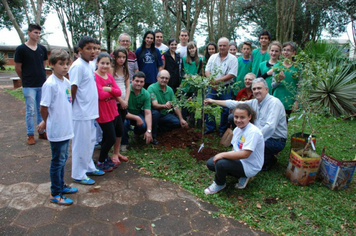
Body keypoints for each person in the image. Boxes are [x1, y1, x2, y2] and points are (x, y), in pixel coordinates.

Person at [205, 78, 288, 171]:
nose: (256, 91)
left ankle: (270, 159)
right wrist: (213, 101)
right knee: (233, 118)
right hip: (260, 136)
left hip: (275, 140)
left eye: (259, 88)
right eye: (254, 89)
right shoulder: (254, 102)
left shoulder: (274, 103)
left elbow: (270, 127)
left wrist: (252, 140)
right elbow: (235, 104)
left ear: (266, 89)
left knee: (257, 161)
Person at [38, 49, 77, 205]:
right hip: (57, 129)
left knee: (63, 159)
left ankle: (61, 186)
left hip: (66, 128)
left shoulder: (66, 82)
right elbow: (44, 107)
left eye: (67, 63)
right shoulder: (50, 84)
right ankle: (55, 192)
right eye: (61, 64)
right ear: (51, 65)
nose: (65, 67)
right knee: (57, 161)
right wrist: (46, 122)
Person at [204, 104, 264, 194]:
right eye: (236, 117)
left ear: (249, 117)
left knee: (220, 163)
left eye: (242, 117)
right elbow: (235, 148)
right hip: (240, 160)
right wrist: (228, 159)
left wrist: (222, 155)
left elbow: (245, 154)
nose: (238, 120)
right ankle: (239, 174)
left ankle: (219, 184)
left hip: (250, 165)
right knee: (211, 163)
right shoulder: (237, 129)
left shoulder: (253, 132)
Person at [70, 36, 103, 185]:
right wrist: (71, 109)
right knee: (81, 144)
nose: (92, 52)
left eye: (94, 48)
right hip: (81, 112)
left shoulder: (90, 65)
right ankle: (78, 174)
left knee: (90, 141)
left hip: (90, 111)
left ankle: (89, 167)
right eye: (88, 48)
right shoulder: (77, 66)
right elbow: (72, 88)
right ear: (80, 50)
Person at [14, 23, 48, 145]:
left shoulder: (42, 49)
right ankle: (30, 134)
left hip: (41, 84)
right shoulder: (21, 49)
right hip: (29, 85)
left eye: (39, 33)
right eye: (35, 32)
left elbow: (43, 65)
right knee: (30, 110)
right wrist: (24, 79)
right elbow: (18, 68)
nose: (37, 35)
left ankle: (41, 131)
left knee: (41, 109)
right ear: (29, 33)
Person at [204, 37, 238, 137]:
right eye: (220, 45)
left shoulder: (233, 59)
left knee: (225, 109)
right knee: (208, 105)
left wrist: (217, 81)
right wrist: (211, 81)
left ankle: (222, 129)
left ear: (228, 46)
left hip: (225, 87)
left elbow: (232, 74)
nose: (222, 47)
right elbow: (207, 70)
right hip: (212, 86)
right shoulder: (213, 57)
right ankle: (210, 127)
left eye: (224, 45)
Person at [95, 53, 122, 172]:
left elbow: (119, 92)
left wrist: (109, 89)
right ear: (97, 63)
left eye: (107, 63)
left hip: (113, 111)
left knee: (108, 137)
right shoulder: (95, 77)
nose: (105, 66)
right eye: (102, 63)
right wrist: (113, 92)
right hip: (103, 112)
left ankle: (105, 158)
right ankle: (100, 160)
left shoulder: (109, 77)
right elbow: (100, 95)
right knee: (111, 138)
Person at [148, 70, 188, 144]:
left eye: (166, 78)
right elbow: (154, 105)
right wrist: (165, 106)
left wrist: (181, 119)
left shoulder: (169, 90)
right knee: (155, 114)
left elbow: (175, 105)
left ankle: (160, 128)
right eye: (162, 78)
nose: (164, 80)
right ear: (157, 78)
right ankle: (153, 136)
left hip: (164, 114)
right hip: (153, 113)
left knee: (177, 123)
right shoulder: (152, 88)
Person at [121, 71, 153, 150]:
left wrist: (149, 130)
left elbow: (148, 113)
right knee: (124, 123)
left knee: (143, 126)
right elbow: (121, 110)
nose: (139, 84)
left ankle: (137, 135)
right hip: (125, 113)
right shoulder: (125, 90)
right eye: (137, 81)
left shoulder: (146, 94)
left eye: (141, 82)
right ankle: (124, 143)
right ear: (132, 80)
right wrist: (137, 118)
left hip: (137, 113)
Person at [271, 41, 300, 120]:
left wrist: (296, 101)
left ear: (293, 52)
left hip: (290, 100)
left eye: (288, 50)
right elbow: (273, 85)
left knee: (285, 122)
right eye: (284, 50)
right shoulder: (277, 66)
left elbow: (300, 86)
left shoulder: (298, 67)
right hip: (278, 99)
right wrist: (279, 80)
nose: (286, 52)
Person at [111, 47, 130, 160]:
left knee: (120, 129)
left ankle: (116, 152)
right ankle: (110, 153)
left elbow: (128, 86)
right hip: (114, 103)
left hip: (123, 104)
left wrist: (126, 100)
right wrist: (121, 100)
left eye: (124, 57)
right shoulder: (111, 69)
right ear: (115, 57)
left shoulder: (125, 69)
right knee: (113, 128)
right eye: (119, 57)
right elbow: (111, 87)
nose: (121, 59)